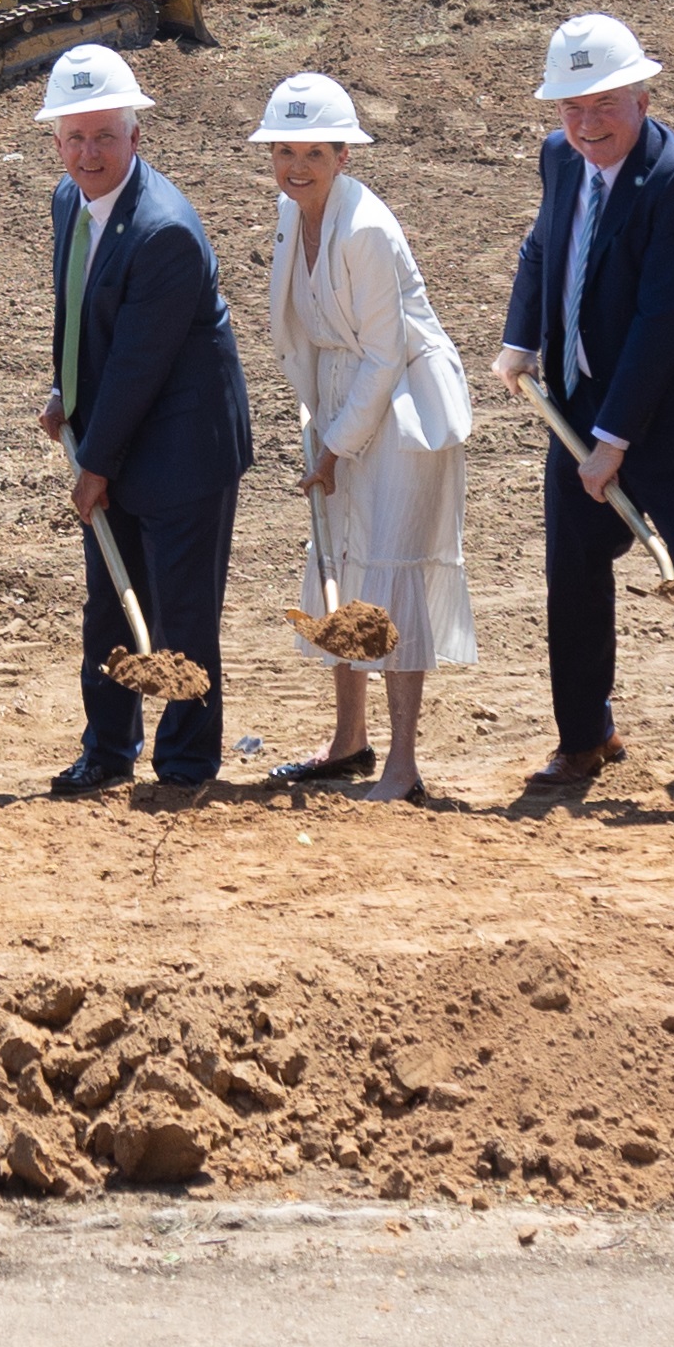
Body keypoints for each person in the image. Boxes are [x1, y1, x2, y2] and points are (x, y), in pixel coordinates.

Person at [500, 10, 674, 797]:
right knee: (573, 580)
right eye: (570, 109)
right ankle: (585, 738)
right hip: (580, 404)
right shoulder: (560, 155)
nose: (586, 125)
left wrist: (613, 437)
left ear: (643, 95)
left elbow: (665, 320)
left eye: (603, 105)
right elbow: (543, 245)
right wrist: (520, 338)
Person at [35, 42, 257, 795]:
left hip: (185, 446)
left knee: (182, 611)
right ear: (56, 140)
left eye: (104, 135)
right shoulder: (71, 199)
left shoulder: (163, 229)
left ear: (137, 137)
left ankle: (188, 759)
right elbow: (82, 315)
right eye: (74, 136)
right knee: (110, 600)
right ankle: (107, 747)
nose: (88, 151)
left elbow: (138, 363)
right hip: (120, 429)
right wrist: (66, 394)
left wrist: (93, 465)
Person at [256, 69, 476, 802]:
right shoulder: (293, 214)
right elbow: (305, 333)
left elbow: (384, 354)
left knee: (388, 572)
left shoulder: (368, 229)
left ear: (343, 156)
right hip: (342, 401)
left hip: (404, 413)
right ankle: (348, 740)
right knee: (339, 563)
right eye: (284, 151)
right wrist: (319, 422)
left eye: (312, 153)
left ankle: (403, 763)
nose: (295, 167)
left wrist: (334, 445)